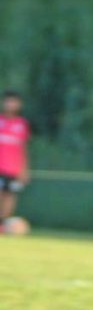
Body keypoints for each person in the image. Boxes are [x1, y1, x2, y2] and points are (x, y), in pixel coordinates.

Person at [0, 90, 31, 226]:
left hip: (13, 169)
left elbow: (23, 148)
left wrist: (24, 169)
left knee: (10, 195)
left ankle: (3, 223)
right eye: (9, 101)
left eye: (14, 102)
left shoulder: (22, 124)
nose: (11, 104)